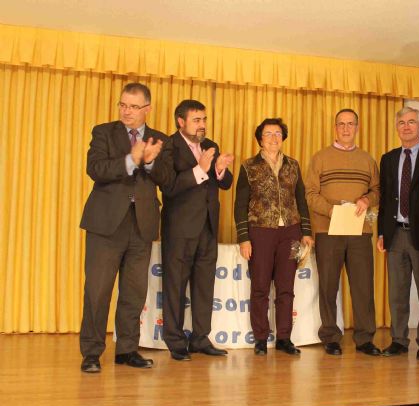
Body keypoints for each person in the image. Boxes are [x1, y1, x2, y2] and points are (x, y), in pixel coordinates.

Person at [79, 83, 174, 373]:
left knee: (134, 292)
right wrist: (131, 160)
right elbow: (96, 169)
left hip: (141, 224)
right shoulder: (104, 132)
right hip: (106, 224)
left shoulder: (159, 139)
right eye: (123, 105)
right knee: (97, 291)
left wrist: (150, 161)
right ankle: (92, 353)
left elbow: (168, 180)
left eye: (133, 106)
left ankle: (127, 349)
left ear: (147, 109)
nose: (126, 111)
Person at [160, 100, 234, 361]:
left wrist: (220, 170)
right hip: (180, 229)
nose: (202, 125)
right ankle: (175, 340)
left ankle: (201, 338)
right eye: (196, 120)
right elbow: (168, 186)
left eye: (204, 119)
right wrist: (200, 169)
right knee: (175, 287)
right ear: (181, 121)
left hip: (208, 227)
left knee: (204, 286)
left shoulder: (210, 145)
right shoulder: (168, 146)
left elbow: (225, 183)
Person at [234, 118, 314, 356]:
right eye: (268, 134)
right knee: (259, 287)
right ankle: (260, 338)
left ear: (283, 137)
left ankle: (284, 338)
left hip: (290, 232)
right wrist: (243, 237)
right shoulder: (249, 166)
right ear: (260, 138)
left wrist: (306, 233)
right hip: (260, 232)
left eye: (277, 133)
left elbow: (301, 200)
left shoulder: (293, 165)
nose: (273, 138)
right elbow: (240, 204)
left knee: (286, 287)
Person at [306, 109, 381, 356]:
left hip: (360, 230)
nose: (346, 128)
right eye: (341, 124)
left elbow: (377, 191)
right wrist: (331, 211)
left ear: (357, 127)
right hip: (328, 230)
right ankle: (330, 336)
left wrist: (366, 199)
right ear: (335, 127)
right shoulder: (320, 158)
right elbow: (310, 194)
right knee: (328, 285)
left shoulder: (368, 160)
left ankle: (364, 338)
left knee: (363, 286)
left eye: (350, 124)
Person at [377, 106, 419, 360]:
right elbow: (384, 199)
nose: (406, 126)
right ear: (397, 127)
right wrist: (382, 232)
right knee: (397, 292)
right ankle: (399, 340)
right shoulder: (389, 158)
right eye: (402, 122)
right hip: (395, 234)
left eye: (412, 122)